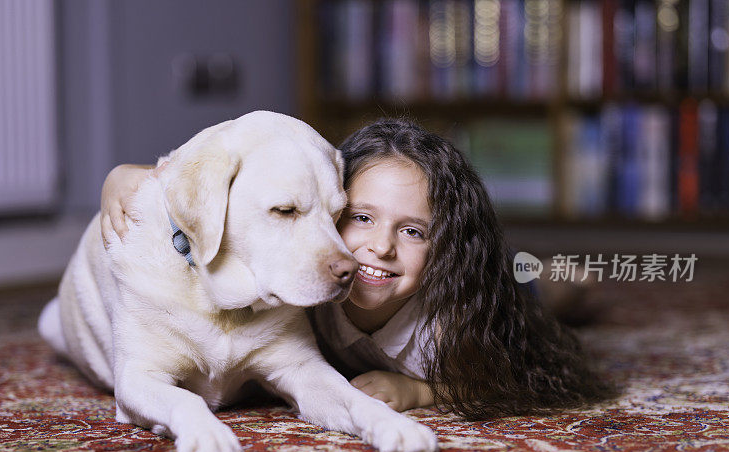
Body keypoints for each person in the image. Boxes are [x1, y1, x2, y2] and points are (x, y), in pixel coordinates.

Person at [100, 118, 616, 419]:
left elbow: (505, 379)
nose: (378, 247)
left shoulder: (445, 328)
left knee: (543, 292)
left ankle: (569, 279)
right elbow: (220, 181)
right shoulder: (310, 272)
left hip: (485, 287)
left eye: (412, 230)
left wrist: (418, 391)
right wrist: (126, 177)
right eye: (360, 217)